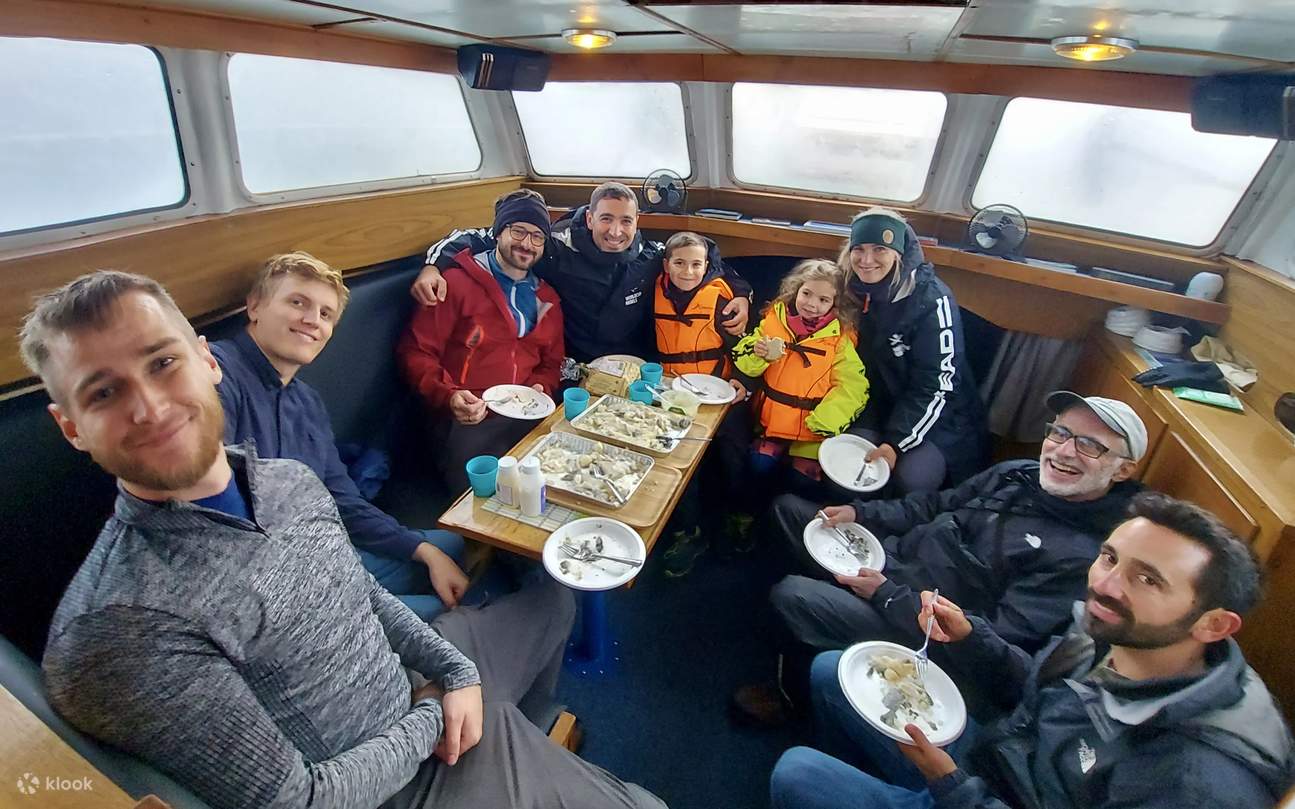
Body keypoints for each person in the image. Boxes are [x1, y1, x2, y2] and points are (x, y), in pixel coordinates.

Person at [23, 271, 664, 809]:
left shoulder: (286, 480)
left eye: (163, 364)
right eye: (103, 392)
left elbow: (355, 589)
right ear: (70, 427)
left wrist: (455, 672)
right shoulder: (122, 627)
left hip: (417, 684)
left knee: (554, 601)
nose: (150, 407)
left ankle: (520, 721)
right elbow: (300, 799)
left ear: (206, 360)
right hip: (403, 783)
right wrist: (433, 712)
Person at [770, 492, 1294, 809]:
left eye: (1148, 579)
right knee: (832, 671)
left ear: (1214, 624)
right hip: (998, 763)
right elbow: (1038, 687)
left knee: (797, 773)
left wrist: (952, 787)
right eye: (1110, 557)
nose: (1106, 584)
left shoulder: (1196, 780)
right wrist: (972, 637)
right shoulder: (1111, 635)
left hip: (978, 792)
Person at [732, 391, 1148, 727]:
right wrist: (861, 513)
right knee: (791, 512)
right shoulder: (1017, 473)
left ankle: (794, 697)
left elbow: (993, 645)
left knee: (794, 595)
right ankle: (787, 641)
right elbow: (934, 505)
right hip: (892, 561)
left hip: (920, 630)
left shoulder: (1085, 555)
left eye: (1089, 445)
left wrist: (887, 594)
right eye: (1060, 432)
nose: (1064, 450)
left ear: (1122, 470)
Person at [212, 251, 468, 622]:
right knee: (442, 612)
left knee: (450, 547)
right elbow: (221, 519)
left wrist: (423, 551)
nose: (311, 320)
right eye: (297, 303)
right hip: (270, 588)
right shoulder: (217, 376)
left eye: (325, 314)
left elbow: (341, 498)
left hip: (323, 548)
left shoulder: (306, 402)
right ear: (255, 306)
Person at [412, 181, 751, 363]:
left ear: (637, 222)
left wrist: (740, 293)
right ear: (589, 219)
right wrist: (432, 266)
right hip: (573, 369)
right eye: (606, 219)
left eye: (626, 221)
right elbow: (478, 236)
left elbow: (708, 260)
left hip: (637, 368)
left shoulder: (653, 256)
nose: (616, 231)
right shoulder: (554, 247)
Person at [397, 189, 565, 495]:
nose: (527, 244)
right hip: (468, 418)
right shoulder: (455, 284)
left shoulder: (548, 297)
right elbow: (416, 352)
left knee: (558, 484)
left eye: (537, 236)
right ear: (498, 232)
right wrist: (449, 396)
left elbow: (552, 363)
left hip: (527, 414)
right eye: (518, 231)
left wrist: (541, 385)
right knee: (492, 500)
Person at [840, 208, 989, 495]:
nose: (867, 260)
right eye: (859, 249)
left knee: (910, 478)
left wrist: (896, 442)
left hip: (936, 414)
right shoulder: (849, 288)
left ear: (899, 253)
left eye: (879, 249)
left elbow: (939, 382)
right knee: (850, 463)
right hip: (874, 401)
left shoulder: (931, 300)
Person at [653, 231, 757, 576]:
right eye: (679, 263)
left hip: (721, 394)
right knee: (678, 465)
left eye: (696, 264)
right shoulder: (654, 290)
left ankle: (739, 517)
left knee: (735, 455)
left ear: (706, 266)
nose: (688, 272)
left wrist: (744, 382)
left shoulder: (721, 298)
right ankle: (689, 532)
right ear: (666, 265)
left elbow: (746, 346)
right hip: (673, 396)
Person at [733, 258, 870, 490]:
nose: (811, 304)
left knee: (804, 478)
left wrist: (827, 420)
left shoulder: (839, 339)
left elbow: (853, 387)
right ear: (796, 290)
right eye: (806, 294)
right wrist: (757, 354)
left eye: (823, 300)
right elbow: (744, 360)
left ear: (835, 304)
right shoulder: (773, 321)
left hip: (812, 429)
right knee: (758, 467)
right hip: (770, 424)